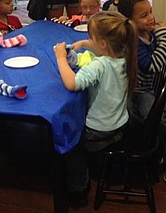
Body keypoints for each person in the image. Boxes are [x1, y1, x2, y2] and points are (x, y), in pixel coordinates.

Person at [54, 11, 137, 207]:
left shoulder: (100, 65)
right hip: (119, 122)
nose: (88, 40)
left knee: (69, 143)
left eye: (91, 38)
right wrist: (83, 44)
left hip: (99, 131)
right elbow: (100, 46)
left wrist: (60, 59)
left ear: (103, 44)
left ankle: (79, 188)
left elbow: (72, 83)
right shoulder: (125, 54)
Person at [118, 0, 166, 185]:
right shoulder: (133, 41)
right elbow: (154, 65)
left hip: (146, 90)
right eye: (144, 15)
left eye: (151, 12)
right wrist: (165, 37)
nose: (151, 18)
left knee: (156, 120)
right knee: (127, 115)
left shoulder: (150, 33)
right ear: (129, 21)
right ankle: (146, 145)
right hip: (131, 90)